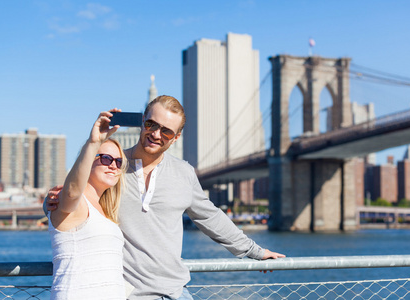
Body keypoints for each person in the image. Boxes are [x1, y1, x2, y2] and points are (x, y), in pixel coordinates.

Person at [46, 95, 285, 300]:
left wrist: (255, 251)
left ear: (176, 137)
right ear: (143, 122)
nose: (156, 134)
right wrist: (49, 206)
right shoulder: (112, 165)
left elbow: (211, 218)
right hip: (131, 295)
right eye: (151, 124)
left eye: (167, 131)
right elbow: (75, 199)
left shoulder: (184, 173)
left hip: (177, 293)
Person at [47, 111, 127, 299]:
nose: (113, 166)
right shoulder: (75, 202)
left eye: (118, 161)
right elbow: (72, 190)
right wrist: (93, 142)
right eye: (106, 158)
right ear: (88, 160)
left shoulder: (105, 212)